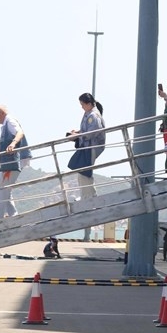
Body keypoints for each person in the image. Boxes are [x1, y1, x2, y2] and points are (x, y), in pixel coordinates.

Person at [67, 92, 105, 241]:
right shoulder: (90, 114)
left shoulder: (93, 115)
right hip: (87, 148)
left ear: (88, 103)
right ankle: (90, 195)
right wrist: (77, 132)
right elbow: (87, 131)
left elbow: (92, 133)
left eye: (82, 104)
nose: (82, 107)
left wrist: (77, 136)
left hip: (90, 148)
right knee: (82, 174)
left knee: (84, 174)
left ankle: (90, 197)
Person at [0, 105, 31, 220]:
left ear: (2, 114)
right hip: (11, 162)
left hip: (14, 161)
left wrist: (13, 144)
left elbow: (20, 132)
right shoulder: (5, 125)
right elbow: (0, 144)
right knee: (6, 189)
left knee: (1, 190)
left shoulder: (10, 121)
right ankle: (13, 216)